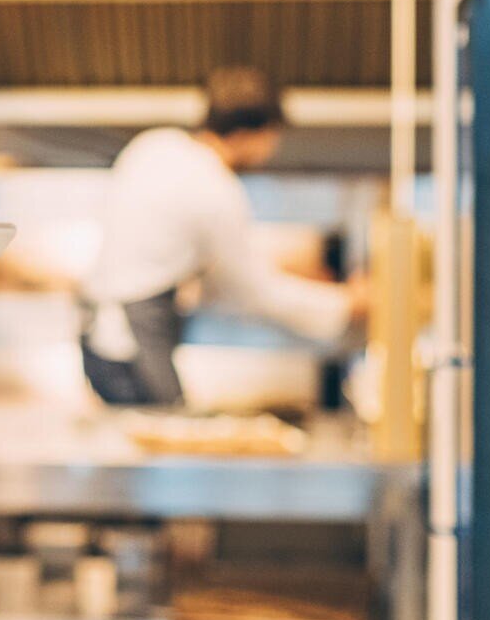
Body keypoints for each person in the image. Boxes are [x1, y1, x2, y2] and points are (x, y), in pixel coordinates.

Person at [77, 67, 366, 406]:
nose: (270, 150)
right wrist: (346, 303)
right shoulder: (215, 188)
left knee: (151, 429)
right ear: (251, 134)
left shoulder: (154, 145)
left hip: (94, 334)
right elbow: (255, 292)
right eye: (272, 138)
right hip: (135, 342)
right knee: (169, 433)